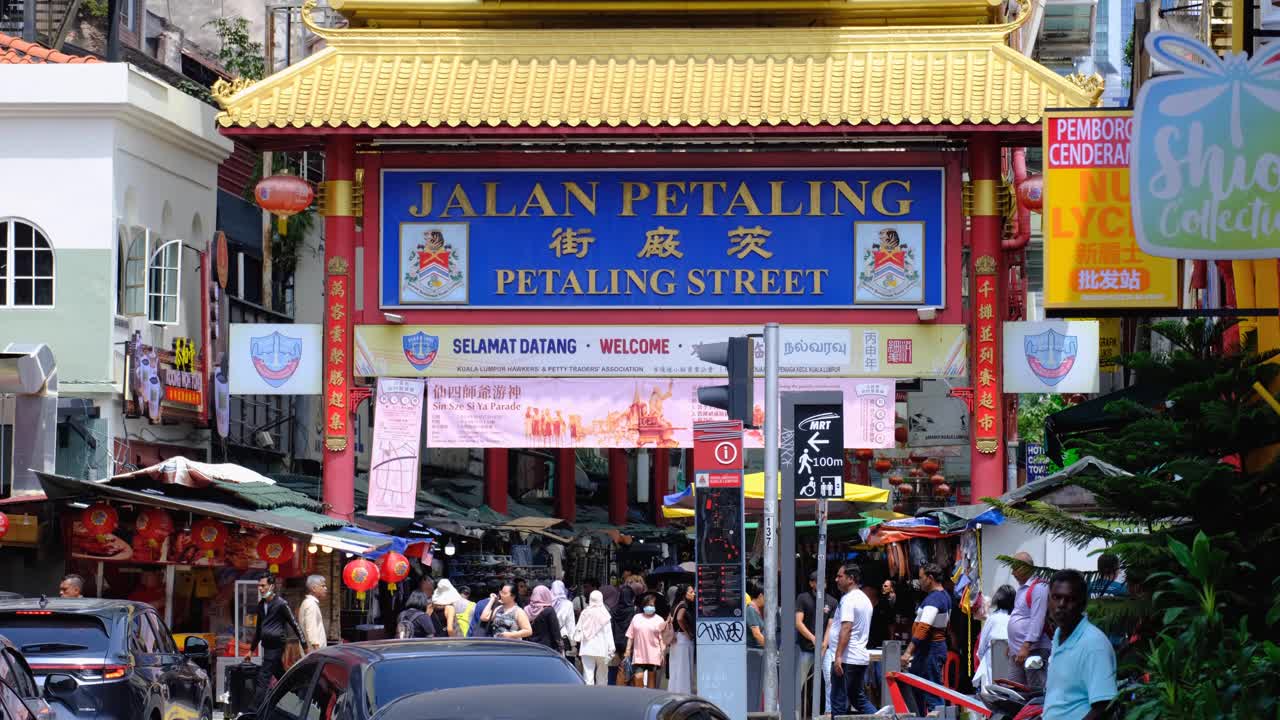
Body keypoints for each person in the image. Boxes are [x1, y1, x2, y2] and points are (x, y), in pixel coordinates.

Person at [1042, 570, 1117, 720]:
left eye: (1070, 599)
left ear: (1082, 604)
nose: (1061, 605)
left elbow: (1105, 706)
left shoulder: (1094, 644)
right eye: (1056, 597)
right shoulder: (1059, 635)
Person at [900, 563, 950, 715]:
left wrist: (908, 652)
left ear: (930, 578)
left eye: (921, 577)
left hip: (931, 651)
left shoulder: (935, 599)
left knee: (932, 694)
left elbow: (923, 627)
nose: (919, 581)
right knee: (920, 692)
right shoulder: (943, 596)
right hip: (928, 651)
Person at [250, 575, 305, 711]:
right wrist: (251, 650)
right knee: (279, 673)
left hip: (277, 645)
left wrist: (304, 644)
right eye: (259, 586)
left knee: (263, 677)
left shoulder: (281, 604)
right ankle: (298, 693)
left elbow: (294, 624)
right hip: (266, 645)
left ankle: (254, 710)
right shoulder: (261, 605)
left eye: (263, 586)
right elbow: (258, 629)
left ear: (272, 586)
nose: (260, 588)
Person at [832, 564, 877, 716]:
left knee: (838, 702)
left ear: (851, 579)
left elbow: (846, 629)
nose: (836, 579)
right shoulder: (864, 599)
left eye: (840, 576)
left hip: (847, 658)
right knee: (858, 699)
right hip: (858, 658)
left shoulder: (849, 599)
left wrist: (838, 656)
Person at [1007, 551, 1051, 691]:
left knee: (1035, 689)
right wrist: (1012, 644)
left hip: (1033, 650)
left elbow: (1038, 619)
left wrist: (1026, 646)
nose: (1012, 573)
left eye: (1015, 568)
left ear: (1025, 567)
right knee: (1015, 689)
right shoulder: (1022, 589)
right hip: (1019, 650)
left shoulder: (1039, 587)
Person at [796, 570, 838, 715]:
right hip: (806, 648)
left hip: (825, 649)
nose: (822, 583)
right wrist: (813, 638)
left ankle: (828, 711)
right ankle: (795, 711)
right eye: (818, 580)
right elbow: (798, 622)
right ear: (811, 583)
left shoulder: (832, 601)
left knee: (829, 679)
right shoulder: (803, 598)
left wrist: (824, 643)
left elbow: (830, 625)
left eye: (824, 580)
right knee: (800, 680)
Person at [973, 585, 1015, 689]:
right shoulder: (1015, 619)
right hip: (1012, 666)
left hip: (991, 664)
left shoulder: (992, 619)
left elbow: (981, 648)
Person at [624, 592, 667, 689]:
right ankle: (641, 697)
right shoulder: (636, 618)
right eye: (647, 605)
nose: (649, 607)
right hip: (639, 654)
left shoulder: (659, 620)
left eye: (651, 605)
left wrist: (662, 653)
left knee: (652, 679)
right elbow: (631, 635)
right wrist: (627, 650)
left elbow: (662, 639)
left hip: (654, 654)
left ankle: (649, 698)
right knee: (638, 677)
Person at [573, 590, 616, 686]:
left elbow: (578, 631)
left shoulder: (585, 612)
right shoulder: (605, 614)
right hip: (602, 649)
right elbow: (608, 633)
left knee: (588, 677)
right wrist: (611, 649)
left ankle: (589, 698)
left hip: (587, 648)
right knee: (602, 677)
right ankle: (601, 697)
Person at [667, 585, 695, 694]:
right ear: (685, 593)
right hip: (683, 639)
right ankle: (684, 692)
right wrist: (688, 632)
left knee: (676, 667)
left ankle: (675, 691)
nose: (694, 594)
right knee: (684, 667)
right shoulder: (683, 605)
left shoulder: (675, 605)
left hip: (676, 639)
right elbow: (679, 618)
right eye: (691, 592)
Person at [609, 584, 638, 685]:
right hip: (628, 643)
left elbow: (611, 627)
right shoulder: (633, 610)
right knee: (626, 668)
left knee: (614, 668)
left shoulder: (614, 609)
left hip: (616, 642)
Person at [745, 584, 766, 711]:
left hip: (758, 653)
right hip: (753, 654)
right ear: (760, 595)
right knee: (754, 685)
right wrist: (772, 649)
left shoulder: (756, 610)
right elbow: (757, 634)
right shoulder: (751, 610)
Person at [526, 585, 564, 653]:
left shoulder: (526, 609)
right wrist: (560, 646)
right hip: (546, 648)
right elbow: (555, 631)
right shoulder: (549, 610)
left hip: (530, 646)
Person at [298, 574, 328, 653]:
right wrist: (317, 651)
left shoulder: (310, 603)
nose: (325, 588)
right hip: (314, 652)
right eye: (323, 586)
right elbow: (311, 630)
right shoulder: (310, 604)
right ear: (314, 588)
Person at [869, 579, 897, 648]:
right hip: (873, 636)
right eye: (882, 585)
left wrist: (891, 639)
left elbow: (891, 623)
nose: (883, 587)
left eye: (885, 586)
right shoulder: (879, 599)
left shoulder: (889, 602)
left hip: (883, 637)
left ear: (891, 588)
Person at [551, 580, 576, 651]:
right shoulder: (568, 604)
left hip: (550, 637)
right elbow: (570, 624)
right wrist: (573, 643)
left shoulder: (548, 602)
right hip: (563, 636)